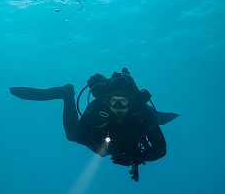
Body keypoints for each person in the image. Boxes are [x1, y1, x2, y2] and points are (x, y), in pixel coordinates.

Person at [9, 69, 178, 180]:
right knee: (72, 137)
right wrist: (99, 135)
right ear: (106, 100)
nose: (118, 107)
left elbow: (160, 150)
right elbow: (80, 136)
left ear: (132, 102)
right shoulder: (97, 107)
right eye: (113, 101)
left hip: (124, 147)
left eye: (123, 102)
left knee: (103, 152)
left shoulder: (143, 114)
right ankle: (67, 95)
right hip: (106, 140)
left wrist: (136, 157)